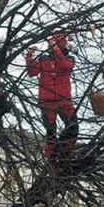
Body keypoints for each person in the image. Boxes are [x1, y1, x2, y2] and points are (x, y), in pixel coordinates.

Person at [25, 34, 77, 164]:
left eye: (52, 44)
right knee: (51, 133)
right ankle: (52, 161)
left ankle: (65, 155)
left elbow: (65, 66)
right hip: (47, 102)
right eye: (50, 45)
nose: (49, 47)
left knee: (73, 127)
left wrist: (56, 49)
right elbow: (32, 72)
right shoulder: (44, 59)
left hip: (64, 101)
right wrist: (29, 56)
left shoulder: (69, 58)